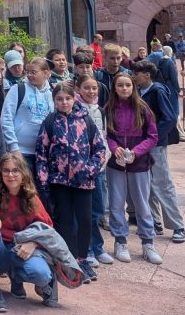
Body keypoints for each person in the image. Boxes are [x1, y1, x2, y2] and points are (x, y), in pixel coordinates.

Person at [34, 82, 106, 282]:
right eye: (59, 99)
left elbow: (100, 149)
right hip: (59, 182)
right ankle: (70, 260)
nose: (64, 102)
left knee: (85, 220)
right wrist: (44, 180)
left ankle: (83, 259)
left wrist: (89, 170)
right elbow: (41, 153)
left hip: (83, 182)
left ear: (74, 99)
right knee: (65, 221)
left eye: (67, 98)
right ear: (54, 101)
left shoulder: (86, 120)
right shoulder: (50, 122)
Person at [0, 154, 55, 313]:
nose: (10, 175)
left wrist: (33, 244)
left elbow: (48, 228)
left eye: (15, 171)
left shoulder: (31, 196)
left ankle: (16, 277)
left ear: (23, 173)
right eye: (6, 171)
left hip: (20, 249)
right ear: (0, 173)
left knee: (42, 275)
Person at [105, 72, 161, 264]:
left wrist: (137, 152)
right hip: (116, 164)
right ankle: (120, 241)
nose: (124, 88)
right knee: (116, 203)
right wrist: (114, 148)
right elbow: (106, 135)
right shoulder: (109, 109)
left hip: (139, 163)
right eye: (120, 85)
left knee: (142, 203)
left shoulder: (143, 108)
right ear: (114, 88)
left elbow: (152, 136)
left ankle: (148, 242)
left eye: (128, 85)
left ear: (133, 86)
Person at [132, 61, 185, 243]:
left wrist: (152, 137)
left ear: (147, 75)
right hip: (143, 145)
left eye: (137, 73)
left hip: (155, 145)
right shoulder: (140, 92)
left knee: (163, 183)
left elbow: (169, 118)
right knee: (147, 185)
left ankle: (177, 225)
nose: (134, 76)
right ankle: (155, 222)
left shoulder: (157, 91)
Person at [74, 74, 112, 265]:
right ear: (78, 89)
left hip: (99, 167)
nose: (91, 91)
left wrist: (104, 158)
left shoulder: (101, 111)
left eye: (94, 88)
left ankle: (98, 247)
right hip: (82, 169)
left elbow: (103, 137)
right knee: (84, 211)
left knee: (97, 210)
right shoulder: (75, 110)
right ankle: (86, 250)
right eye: (86, 88)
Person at [0, 58, 54, 181]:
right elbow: (6, 119)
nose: (29, 75)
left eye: (33, 72)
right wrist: (14, 148)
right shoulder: (18, 89)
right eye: (27, 71)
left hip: (43, 154)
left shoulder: (52, 95)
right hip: (20, 152)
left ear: (45, 73)